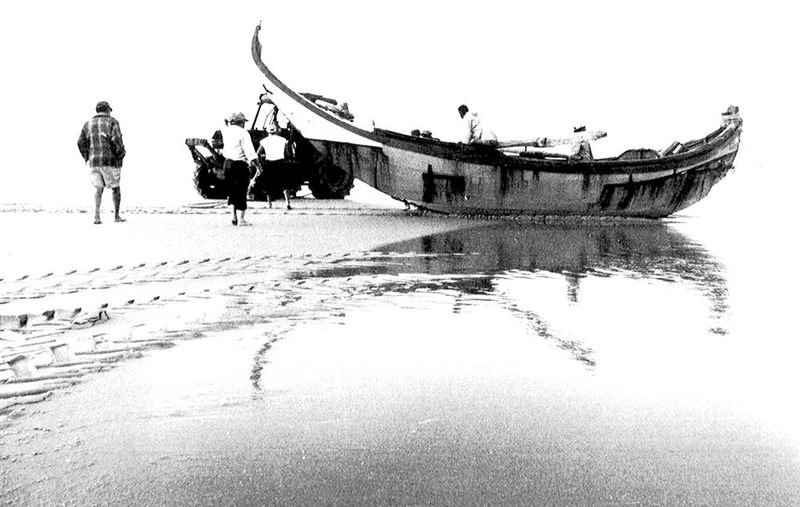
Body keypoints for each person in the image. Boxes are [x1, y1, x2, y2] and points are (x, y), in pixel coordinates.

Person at [77, 101, 126, 224]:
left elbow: (80, 142)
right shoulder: (113, 122)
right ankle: (116, 216)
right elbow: (117, 140)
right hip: (110, 160)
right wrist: (120, 155)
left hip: (94, 161)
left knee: (98, 188)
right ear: (108, 110)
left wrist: (87, 156)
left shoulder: (88, 124)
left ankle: (97, 216)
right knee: (115, 188)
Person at [221, 112, 259, 226]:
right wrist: (258, 167)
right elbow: (250, 152)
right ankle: (242, 219)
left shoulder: (226, 131)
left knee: (232, 190)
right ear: (241, 122)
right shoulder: (243, 133)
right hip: (239, 165)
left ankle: (233, 216)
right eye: (243, 122)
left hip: (227, 163)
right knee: (242, 191)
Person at [256, 128, 293, 210]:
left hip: (269, 163)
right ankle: (287, 203)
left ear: (268, 132)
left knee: (268, 184)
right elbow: (287, 153)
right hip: (281, 162)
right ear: (276, 132)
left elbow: (258, 153)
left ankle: (269, 204)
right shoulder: (283, 140)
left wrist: (262, 160)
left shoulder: (264, 141)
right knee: (285, 183)